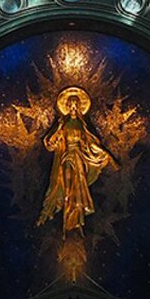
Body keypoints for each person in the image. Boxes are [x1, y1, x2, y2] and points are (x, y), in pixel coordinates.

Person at [37, 87, 117, 235]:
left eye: (76, 104)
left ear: (79, 106)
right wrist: (58, 127)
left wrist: (107, 155)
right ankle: (67, 219)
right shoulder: (63, 124)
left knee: (78, 187)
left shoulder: (82, 125)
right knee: (67, 183)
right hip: (67, 156)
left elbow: (91, 143)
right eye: (71, 104)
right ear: (67, 106)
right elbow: (51, 143)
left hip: (80, 157)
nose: (73, 107)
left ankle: (77, 220)